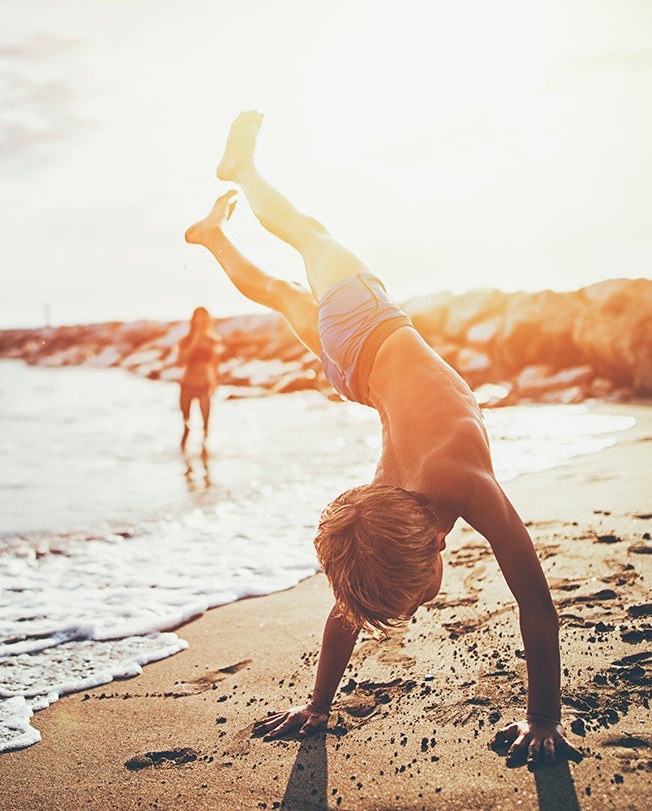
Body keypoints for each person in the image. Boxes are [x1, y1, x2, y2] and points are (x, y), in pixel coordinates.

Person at [184, 111, 582, 769]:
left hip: (358, 334)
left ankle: (229, 202)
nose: (429, 595)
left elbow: (535, 604)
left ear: (427, 540)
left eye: (422, 589)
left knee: (298, 255)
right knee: (290, 264)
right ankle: (226, 208)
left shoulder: (442, 484)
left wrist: (543, 718)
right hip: (356, 367)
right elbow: (359, 601)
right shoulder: (397, 490)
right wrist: (316, 705)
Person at [176, 306, 222, 450]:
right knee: (186, 425)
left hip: (204, 387)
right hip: (187, 386)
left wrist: (215, 383)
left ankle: (206, 462)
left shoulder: (213, 341)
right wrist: (195, 340)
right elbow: (180, 361)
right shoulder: (186, 340)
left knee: (206, 427)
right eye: (198, 316)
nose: (201, 319)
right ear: (193, 319)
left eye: (204, 316)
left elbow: (215, 365)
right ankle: (184, 463)